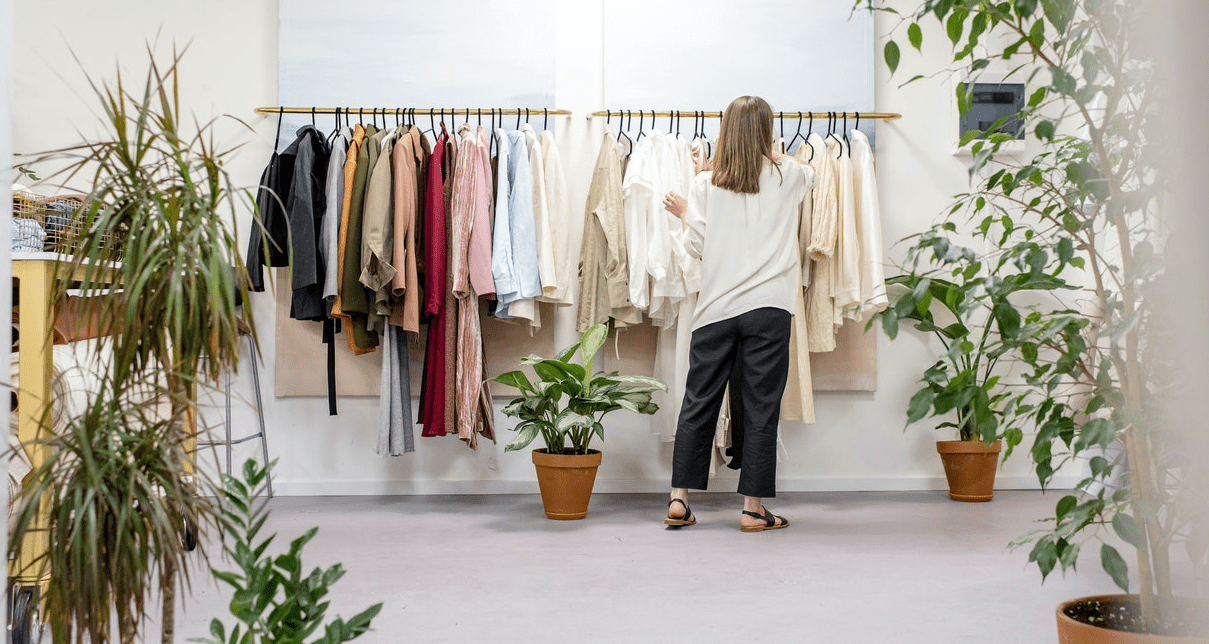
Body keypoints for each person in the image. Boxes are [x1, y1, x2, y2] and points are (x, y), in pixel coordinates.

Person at [661, 95, 807, 532]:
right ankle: (752, 509)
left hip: (716, 309)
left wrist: (688, 214)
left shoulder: (706, 185)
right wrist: (769, 149)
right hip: (768, 308)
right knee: (760, 407)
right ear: (767, 131)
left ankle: (679, 501)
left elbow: (697, 247)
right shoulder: (791, 175)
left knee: (698, 401)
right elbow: (800, 171)